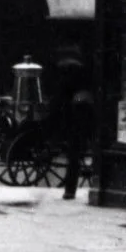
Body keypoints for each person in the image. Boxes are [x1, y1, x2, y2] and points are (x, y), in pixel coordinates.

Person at [49, 52, 96, 200]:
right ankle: (73, 188)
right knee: (77, 153)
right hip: (82, 119)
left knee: (74, 154)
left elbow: (60, 101)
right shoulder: (83, 84)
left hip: (73, 121)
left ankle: (70, 189)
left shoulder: (66, 82)